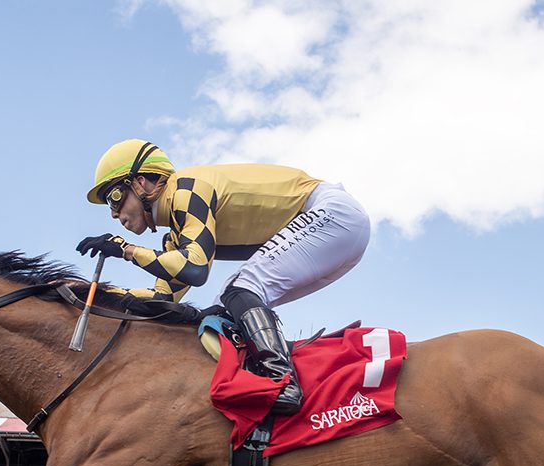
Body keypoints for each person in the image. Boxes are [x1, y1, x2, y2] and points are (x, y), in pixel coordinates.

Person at [76, 139, 371, 416]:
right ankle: (273, 372)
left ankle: (281, 381)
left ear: (141, 182)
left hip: (331, 213)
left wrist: (126, 250)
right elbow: (161, 297)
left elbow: (194, 268)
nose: (113, 214)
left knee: (238, 290)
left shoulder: (186, 190)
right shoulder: (179, 233)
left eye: (114, 198)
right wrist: (88, 292)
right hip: (332, 227)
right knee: (222, 311)